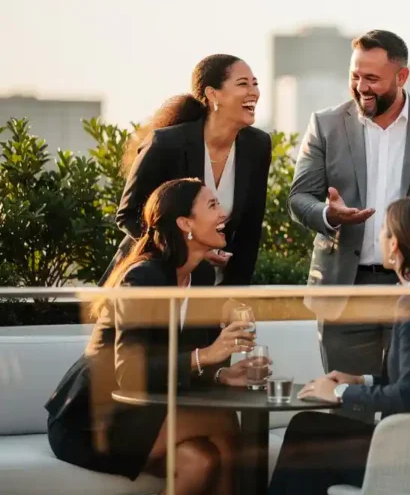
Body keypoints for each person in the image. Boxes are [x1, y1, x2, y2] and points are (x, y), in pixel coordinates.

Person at [288, 30, 410, 392]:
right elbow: (300, 198)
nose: (361, 87)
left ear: (402, 76)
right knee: (346, 400)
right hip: (345, 291)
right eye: (355, 76)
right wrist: (328, 216)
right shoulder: (325, 124)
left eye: (372, 78)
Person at [46, 178, 259, 495]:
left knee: (200, 461)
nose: (223, 213)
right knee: (223, 421)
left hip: (144, 410)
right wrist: (206, 356)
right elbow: (129, 372)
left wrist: (221, 374)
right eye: (212, 205)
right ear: (185, 223)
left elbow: (184, 358)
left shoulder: (200, 276)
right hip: (94, 419)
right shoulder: (144, 277)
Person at [268, 197, 410, 495]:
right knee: (306, 428)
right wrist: (360, 380)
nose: (380, 237)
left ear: (395, 244)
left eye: (384, 230)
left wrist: (338, 393)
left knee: (305, 439)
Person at [104, 54, 272, 287]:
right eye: (243, 84)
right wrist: (189, 252)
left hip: (205, 286)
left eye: (255, 84)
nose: (254, 92)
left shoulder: (257, 145)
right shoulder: (166, 144)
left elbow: (249, 232)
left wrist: (233, 295)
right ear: (213, 94)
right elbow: (128, 215)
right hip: (146, 281)